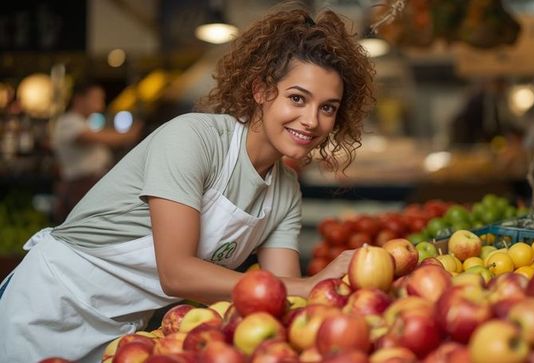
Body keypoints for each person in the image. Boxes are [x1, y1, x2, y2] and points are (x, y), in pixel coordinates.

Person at [0, 6, 375, 362]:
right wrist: (312, 284)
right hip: (49, 307)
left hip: (122, 334)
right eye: (297, 98)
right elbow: (176, 272)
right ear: (261, 91)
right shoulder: (192, 140)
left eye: (327, 107)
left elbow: (278, 296)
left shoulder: (284, 192)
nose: (311, 120)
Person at [51, 80, 143, 223]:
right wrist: (129, 135)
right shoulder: (69, 121)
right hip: (81, 186)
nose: (100, 103)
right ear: (79, 99)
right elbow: (96, 138)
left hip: (90, 184)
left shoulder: (84, 122)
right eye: (96, 98)